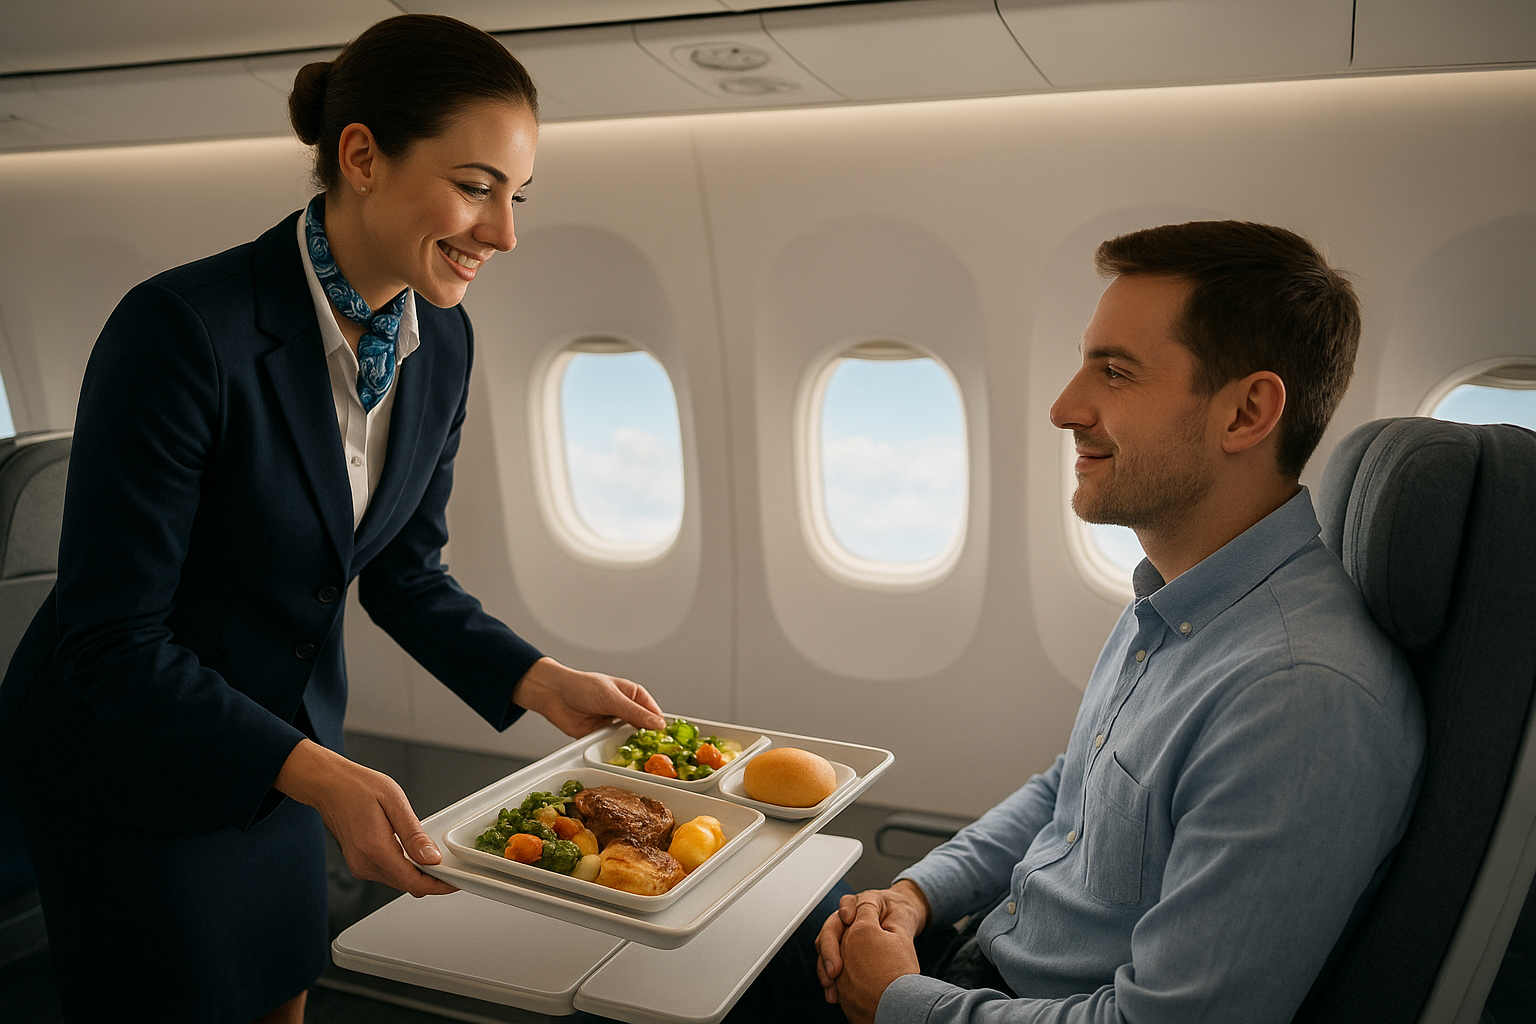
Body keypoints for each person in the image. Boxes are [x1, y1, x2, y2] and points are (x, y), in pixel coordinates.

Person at [0, 14, 665, 1024]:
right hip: (132, 761)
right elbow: (109, 642)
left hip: (287, 763)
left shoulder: (439, 344)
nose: (505, 232)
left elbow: (403, 572)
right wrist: (319, 772)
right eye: (476, 185)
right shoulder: (183, 331)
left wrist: (541, 681)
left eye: (516, 195)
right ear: (361, 154)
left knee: (280, 995)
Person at [732, 221, 1426, 1024]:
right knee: (725, 919)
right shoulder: (1175, 603)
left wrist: (897, 1001)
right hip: (967, 966)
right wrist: (916, 896)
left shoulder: (1299, 698)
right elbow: (1070, 793)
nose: (1065, 407)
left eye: (1117, 372)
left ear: (1246, 413)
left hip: (987, 1003)